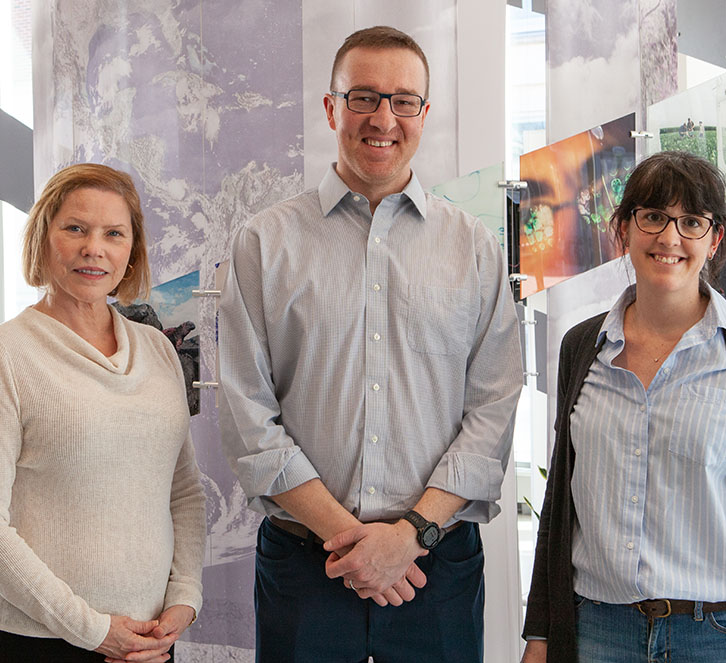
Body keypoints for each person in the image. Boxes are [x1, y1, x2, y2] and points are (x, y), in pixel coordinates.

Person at [218, 25, 523, 663]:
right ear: (332, 107)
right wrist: (352, 541)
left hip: (434, 568)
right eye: (364, 97)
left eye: (403, 100)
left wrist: (408, 537)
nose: (384, 117)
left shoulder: (475, 249)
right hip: (308, 565)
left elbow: (493, 406)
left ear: (424, 115)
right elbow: (248, 412)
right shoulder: (262, 245)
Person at [521, 151, 726, 663]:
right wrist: (541, 634)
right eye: (653, 216)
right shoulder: (582, 346)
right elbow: (561, 501)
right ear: (625, 230)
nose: (670, 237)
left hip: (717, 638)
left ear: (714, 238)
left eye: (691, 222)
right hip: (597, 632)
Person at [0, 163, 206, 663]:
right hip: (37, 641)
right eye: (75, 229)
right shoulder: (1, 353)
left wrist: (185, 598)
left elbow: (183, 490)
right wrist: (90, 629)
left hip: (148, 637)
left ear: (130, 251)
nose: (95, 248)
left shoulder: (157, 349)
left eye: (114, 233)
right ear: (44, 238)